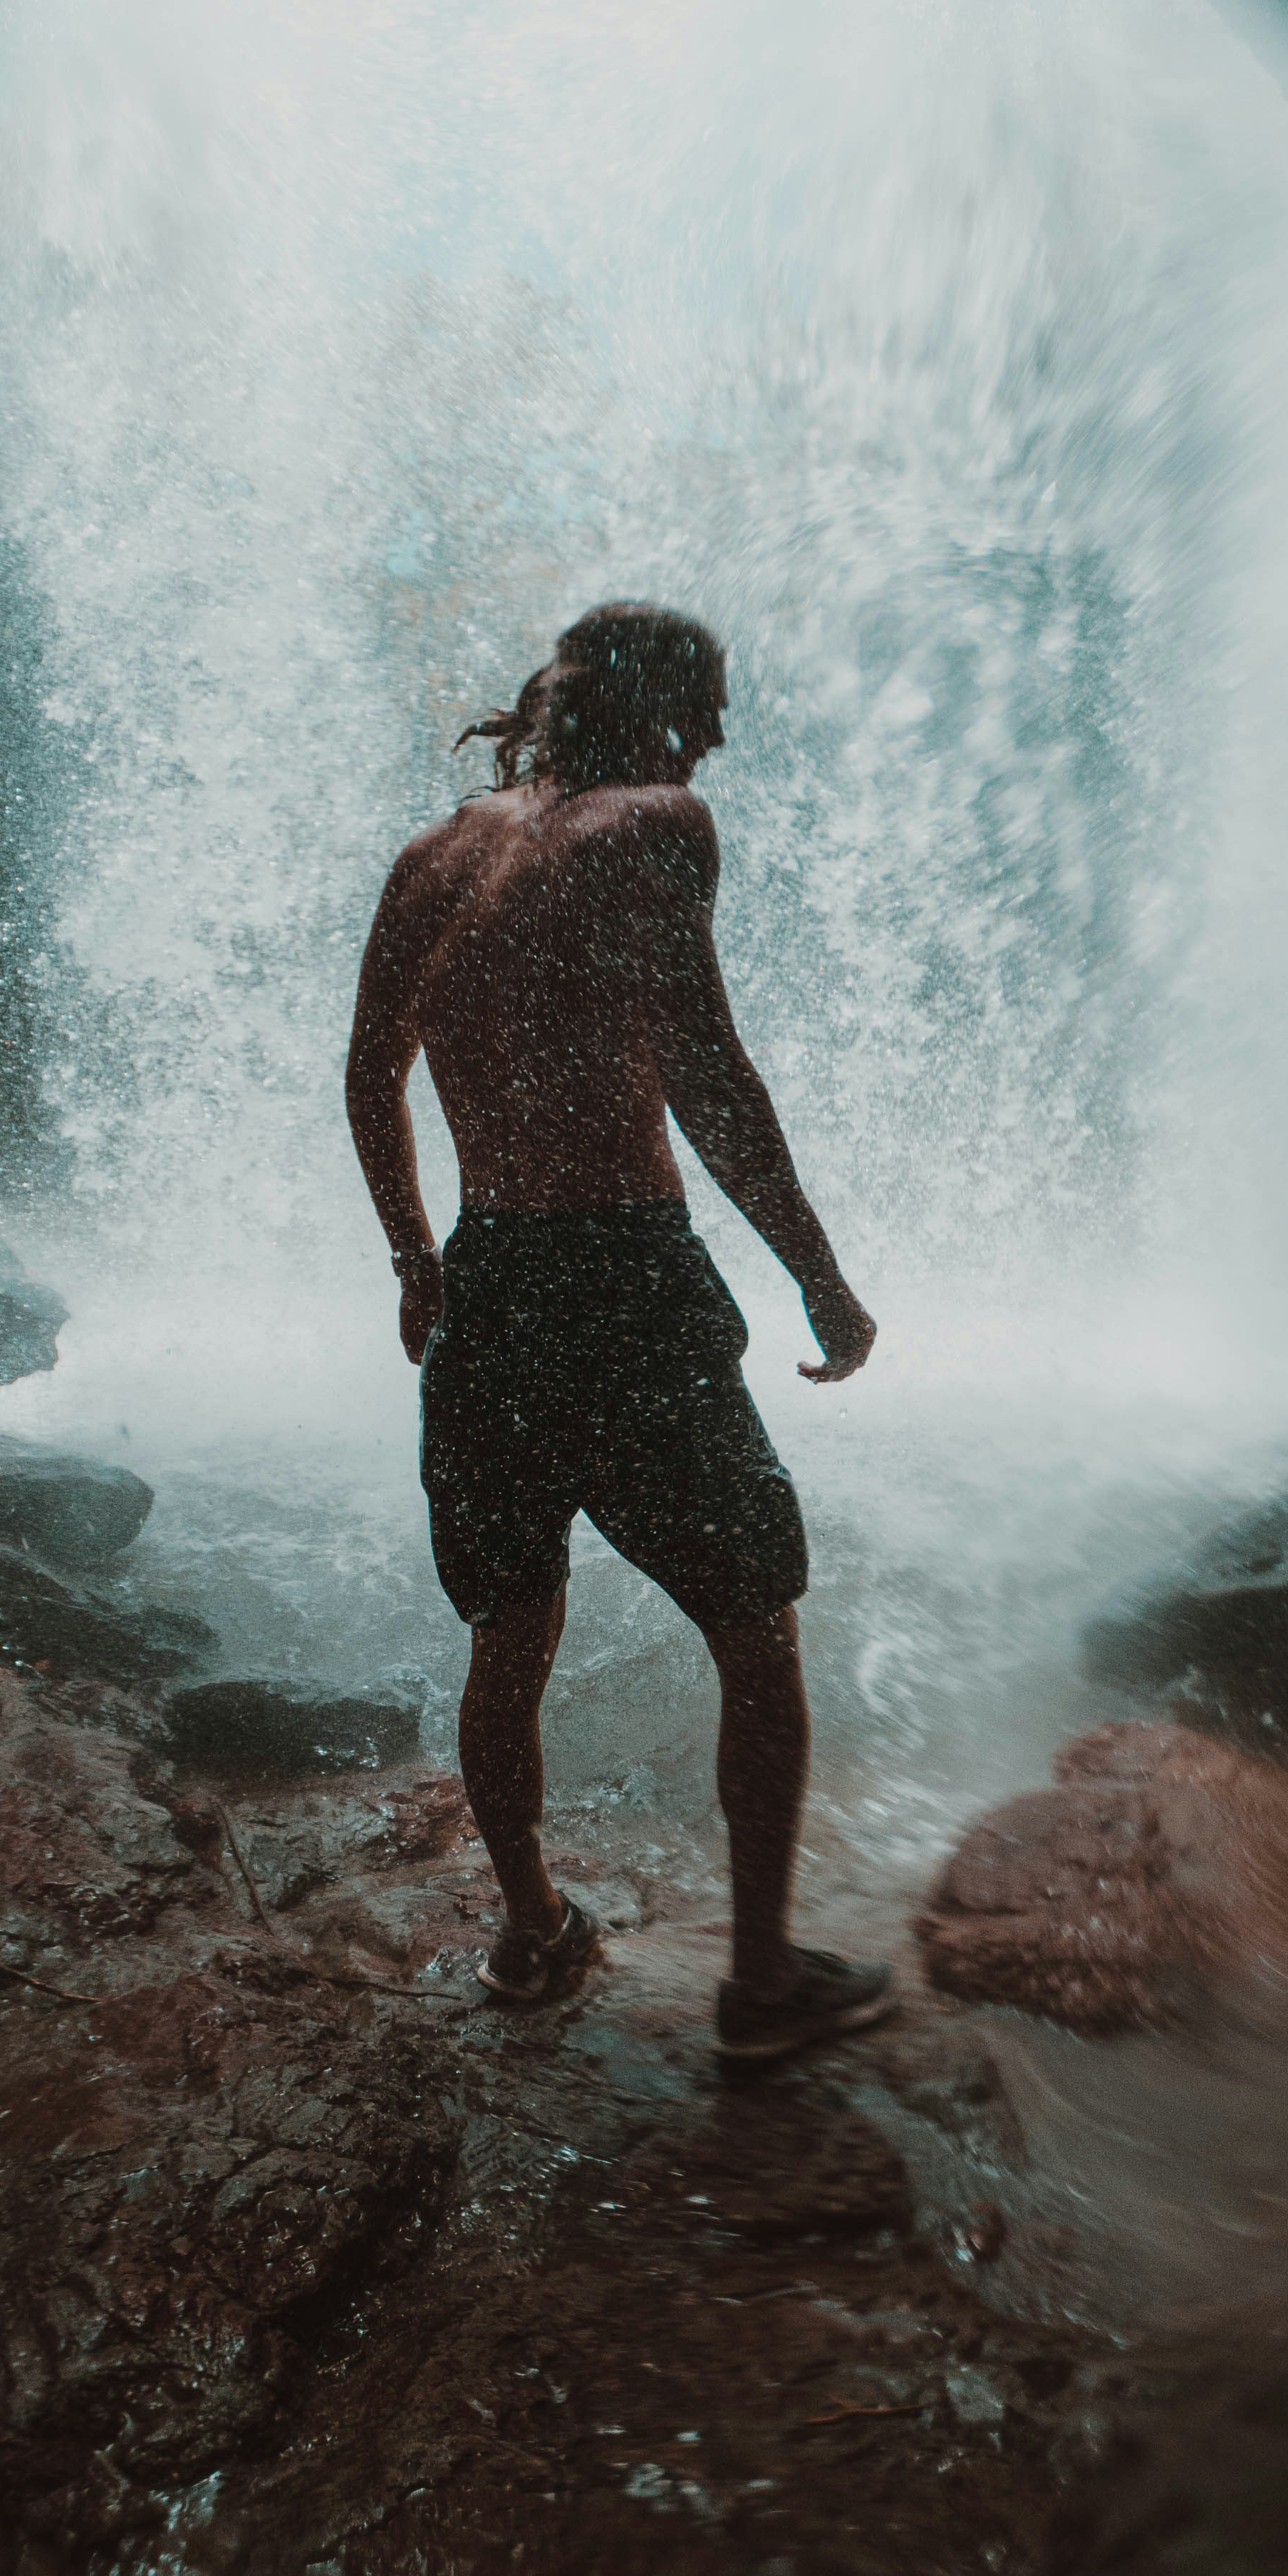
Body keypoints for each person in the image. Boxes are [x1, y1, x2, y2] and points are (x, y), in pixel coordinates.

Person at [346, 601, 891, 2062]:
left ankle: (532, 1929)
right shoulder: (653, 826)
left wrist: (416, 1259)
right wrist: (818, 1277)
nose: (719, 737)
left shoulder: (435, 850)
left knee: (510, 1630)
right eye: (708, 703)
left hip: (491, 1282)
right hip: (624, 1280)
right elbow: (708, 1072)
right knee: (755, 1628)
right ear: (652, 706)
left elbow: (367, 1073)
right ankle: (765, 1981)